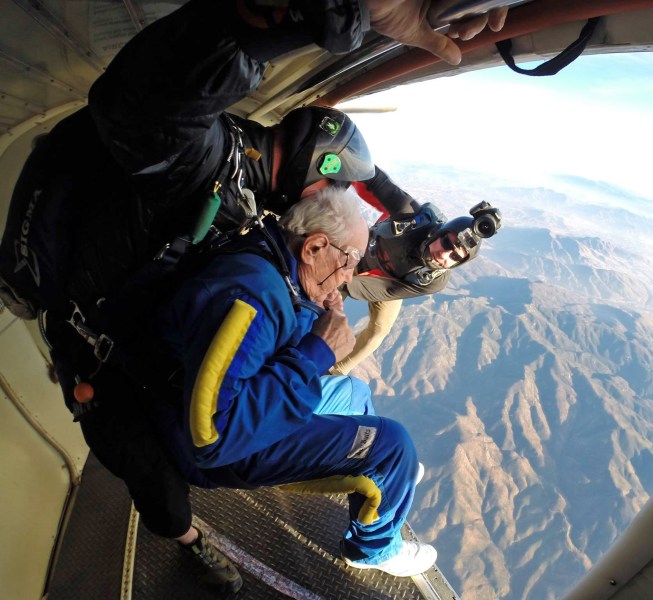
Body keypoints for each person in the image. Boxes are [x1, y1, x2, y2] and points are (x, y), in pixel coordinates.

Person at [0, 0, 508, 593]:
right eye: (336, 186)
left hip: (167, 348)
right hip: (152, 387)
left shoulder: (260, 214)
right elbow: (143, 100)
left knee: (355, 394)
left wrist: (417, 244)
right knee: (380, 446)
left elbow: (338, 259)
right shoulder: (208, 169)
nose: (347, 273)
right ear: (316, 214)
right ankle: (328, 542)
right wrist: (282, 20)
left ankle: (362, 474)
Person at [155, 185, 436, 576]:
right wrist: (318, 350)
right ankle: (374, 549)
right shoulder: (250, 299)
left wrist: (316, 308)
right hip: (221, 449)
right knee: (392, 444)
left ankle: (385, 479)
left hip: (234, 403)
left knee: (355, 392)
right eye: (351, 259)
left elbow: (265, 343)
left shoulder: (271, 258)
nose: (352, 274)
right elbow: (214, 435)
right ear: (315, 247)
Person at [331, 182, 502, 375]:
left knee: (377, 332)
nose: (444, 255)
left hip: (389, 281)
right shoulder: (412, 216)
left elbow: (384, 289)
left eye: (455, 257)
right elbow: (373, 180)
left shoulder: (433, 280)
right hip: (358, 250)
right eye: (446, 242)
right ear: (440, 232)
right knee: (322, 296)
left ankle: (333, 373)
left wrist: (338, 284)